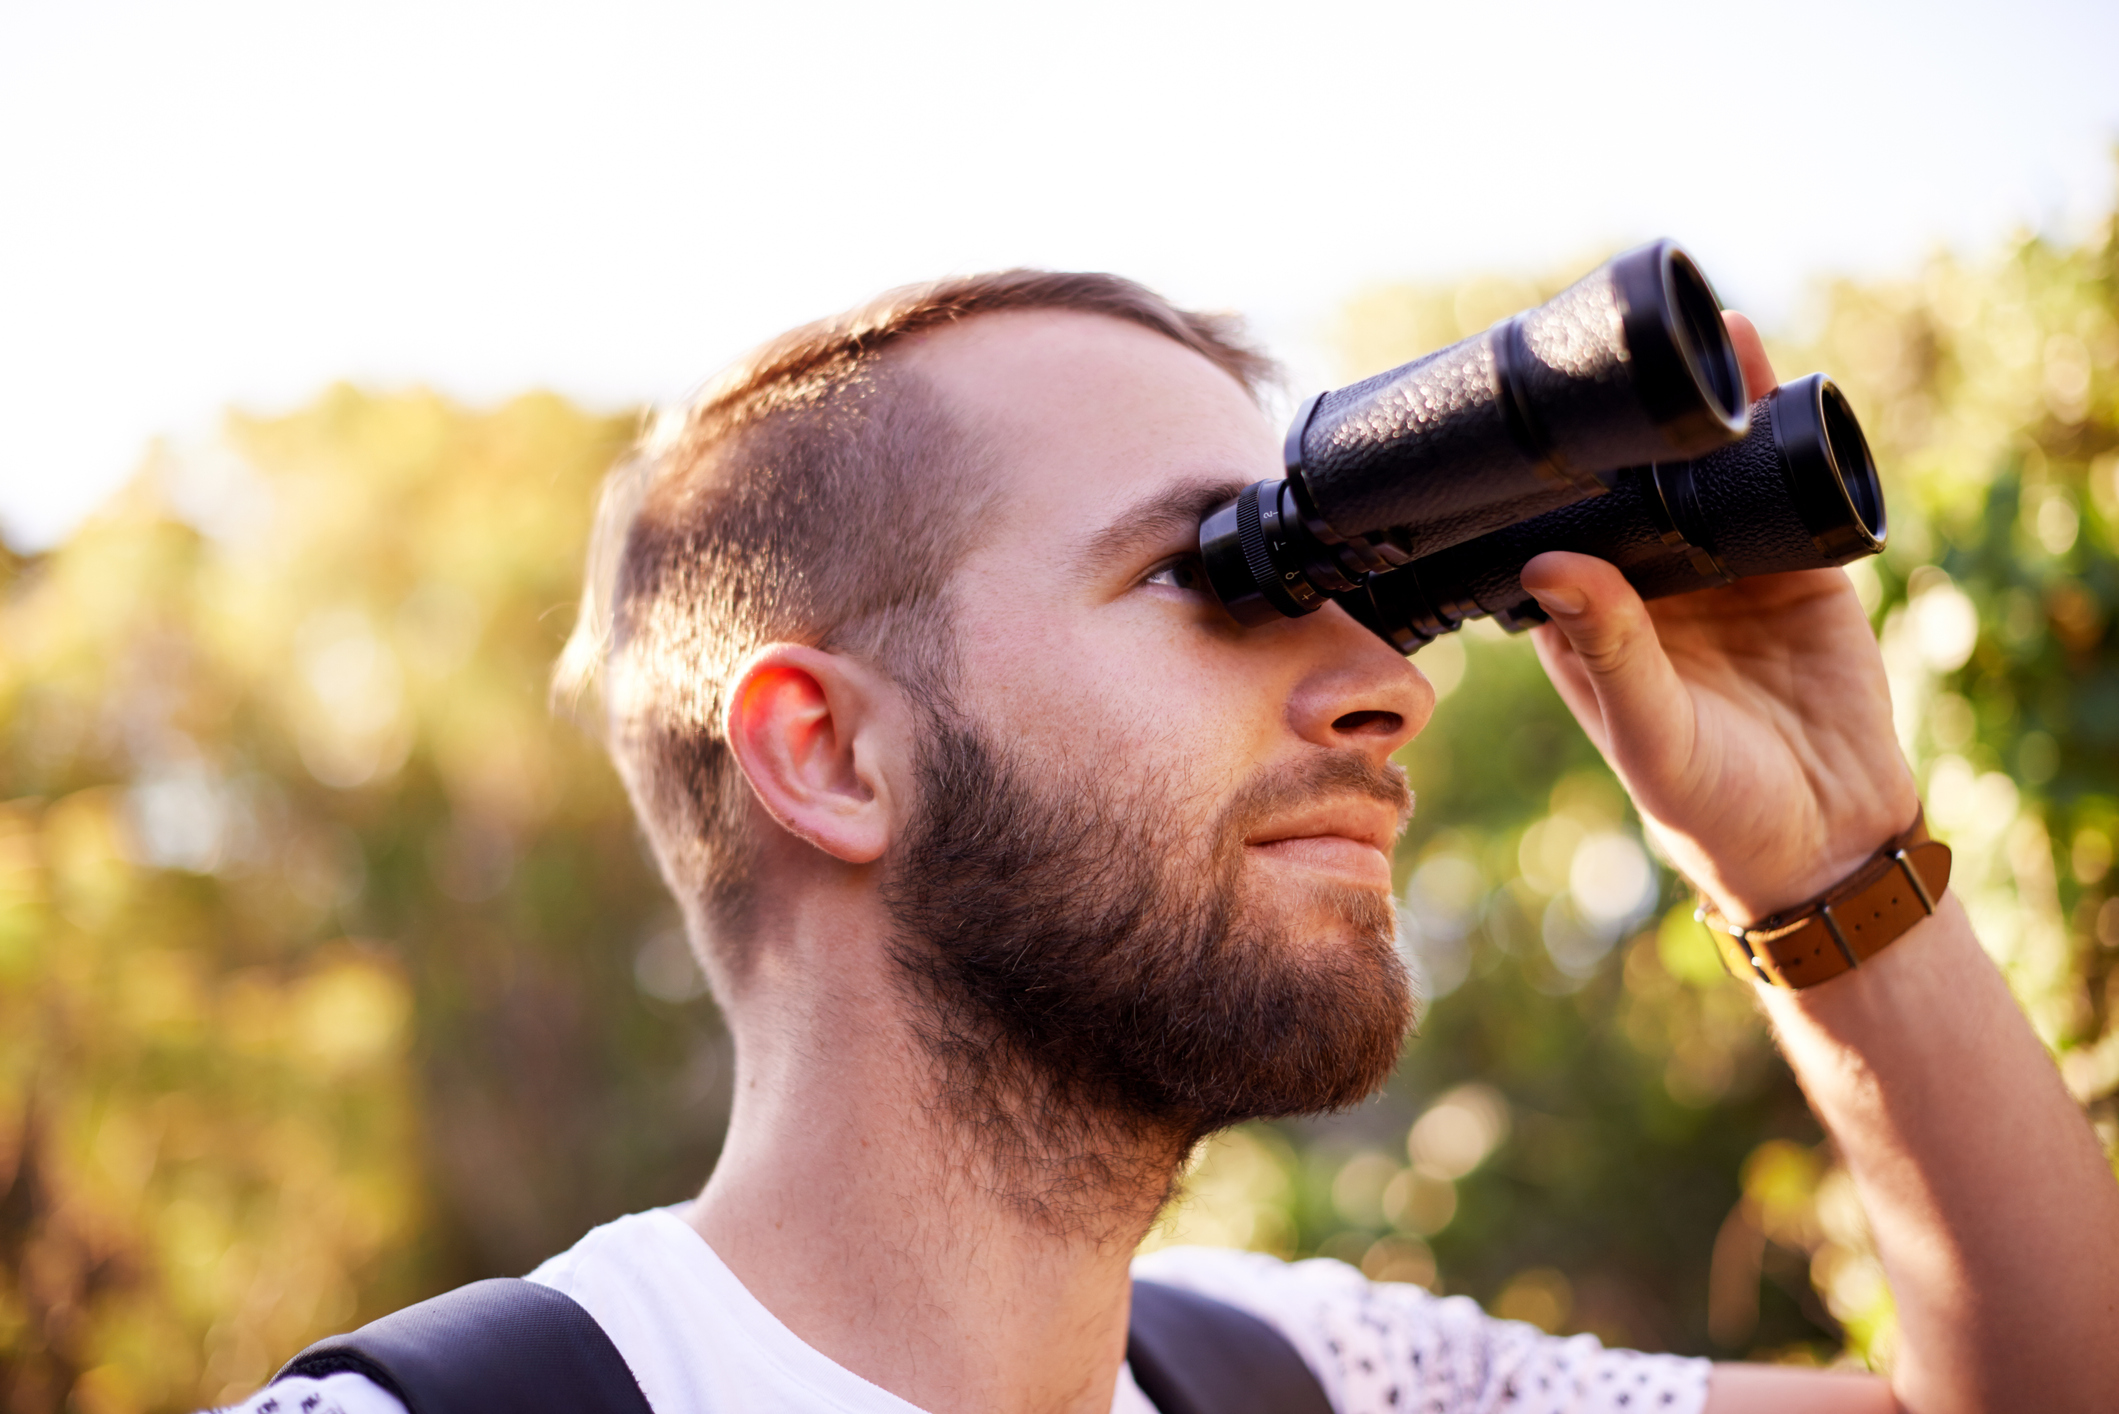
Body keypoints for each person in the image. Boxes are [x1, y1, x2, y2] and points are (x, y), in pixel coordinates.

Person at [233, 272, 2119, 1414]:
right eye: (1217, 577)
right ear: (830, 753)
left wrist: (1833, 862)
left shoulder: (1311, 1379)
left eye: (1364, 583)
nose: (1395, 688)